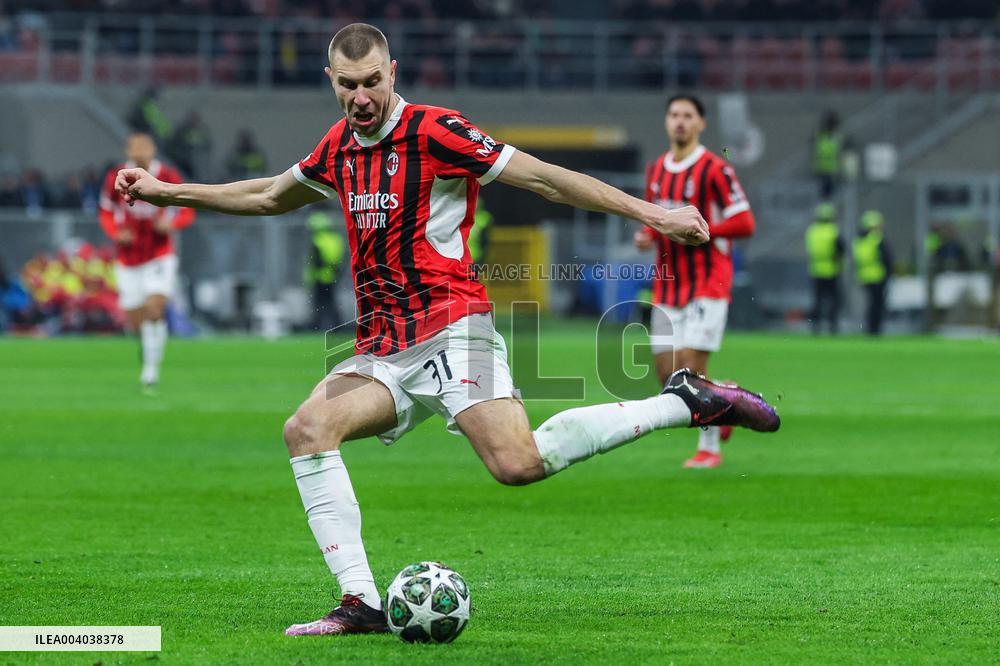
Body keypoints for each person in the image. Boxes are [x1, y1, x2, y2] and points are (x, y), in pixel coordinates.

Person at [113, 23, 779, 637]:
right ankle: (361, 604)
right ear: (331, 82)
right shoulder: (338, 147)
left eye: (373, 81)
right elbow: (264, 195)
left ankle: (685, 402)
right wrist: (165, 192)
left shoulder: (437, 131)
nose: (362, 97)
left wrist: (653, 212)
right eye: (349, 85)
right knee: (307, 429)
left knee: (517, 465)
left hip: (454, 329)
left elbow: (546, 179)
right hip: (379, 347)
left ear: (392, 72)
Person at [634, 93, 757, 470]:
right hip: (669, 283)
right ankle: (728, 396)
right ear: (666, 122)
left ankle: (709, 450)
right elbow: (657, 219)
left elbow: (745, 222)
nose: (680, 121)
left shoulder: (715, 169)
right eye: (674, 114)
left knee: (691, 366)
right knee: (668, 377)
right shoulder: (656, 170)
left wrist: (702, 228)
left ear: (701, 123)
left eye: (688, 115)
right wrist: (648, 235)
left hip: (708, 282)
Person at [99, 133, 195, 392]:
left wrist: (171, 223)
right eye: (136, 147)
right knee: (134, 322)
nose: (141, 151)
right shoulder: (116, 178)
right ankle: (149, 349)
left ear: (153, 150)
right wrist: (116, 234)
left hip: (159, 253)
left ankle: (151, 371)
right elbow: (106, 211)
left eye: (145, 147)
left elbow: (187, 208)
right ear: (128, 150)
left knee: (155, 308)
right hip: (128, 258)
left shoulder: (167, 174)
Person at [805, 202, 844, 334]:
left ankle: (815, 327)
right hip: (831, 269)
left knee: (817, 300)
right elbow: (841, 249)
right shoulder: (833, 231)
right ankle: (833, 327)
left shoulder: (812, 231)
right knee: (833, 300)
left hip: (815, 269)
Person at [304, 209, 346, 331]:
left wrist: (311, 276)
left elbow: (315, 262)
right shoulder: (336, 239)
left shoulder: (317, 240)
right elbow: (339, 259)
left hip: (320, 276)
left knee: (319, 303)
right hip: (333, 276)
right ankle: (337, 326)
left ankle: (316, 326)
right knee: (331, 302)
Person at [853, 209, 892, 336]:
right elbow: (886, 258)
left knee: (870, 305)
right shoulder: (876, 239)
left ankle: (869, 329)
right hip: (877, 276)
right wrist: (889, 274)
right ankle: (875, 330)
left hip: (864, 276)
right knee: (877, 305)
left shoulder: (859, 240)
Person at [812, 110, 842, 199]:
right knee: (824, 194)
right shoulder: (821, 136)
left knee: (830, 194)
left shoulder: (836, 137)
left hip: (832, 170)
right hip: (822, 170)